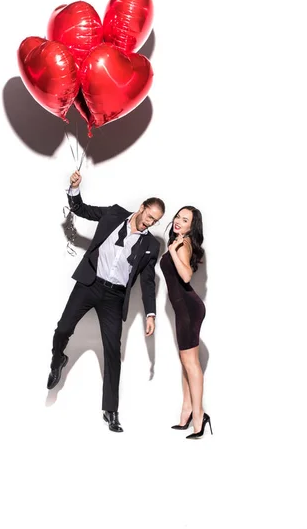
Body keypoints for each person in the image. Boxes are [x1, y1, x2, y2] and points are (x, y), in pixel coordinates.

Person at [47, 170, 165, 432]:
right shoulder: (114, 214)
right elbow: (81, 209)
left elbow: (147, 282)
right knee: (64, 327)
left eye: (155, 221)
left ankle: (110, 410)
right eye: (149, 216)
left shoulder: (151, 247)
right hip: (89, 284)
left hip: (114, 297)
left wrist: (150, 314)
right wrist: (74, 188)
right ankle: (58, 359)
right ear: (142, 207)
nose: (149, 223)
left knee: (112, 351)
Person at [160, 206, 212, 439]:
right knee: (186, 361)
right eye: (178, 217)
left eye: (185, 219)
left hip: (188, 309)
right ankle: (187, 410)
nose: (179, 221)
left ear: (192, 226)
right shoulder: (179, 241)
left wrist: (172, 251)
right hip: (185, 308)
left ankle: (199, 416)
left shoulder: (182, 244)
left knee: (191, 363)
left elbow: (187, 276)